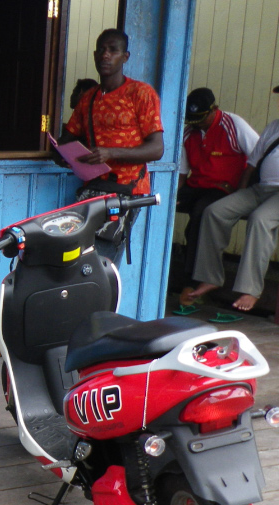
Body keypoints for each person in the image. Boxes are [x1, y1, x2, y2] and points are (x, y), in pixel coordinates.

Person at [58, 29, 164, 262]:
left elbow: (157, 149)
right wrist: (64, 152)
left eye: (113, 50)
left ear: (125, 57)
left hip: (127, 191)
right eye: (102, 50)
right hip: (93, 189)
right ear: (95, 55)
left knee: (103, 260)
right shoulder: (89, 98)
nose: (106, 55)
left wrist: (110, 153)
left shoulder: (141, 93)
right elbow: (67, 138)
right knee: (77, 258)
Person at [185, 85, 279, 313]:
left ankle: (251, 290)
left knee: (259, 219)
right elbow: (253, 162)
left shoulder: (230, 123)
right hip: (260, 189)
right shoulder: (274, 127)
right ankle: (211, 277)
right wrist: (242, 193)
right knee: (215, 211)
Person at [173, 88, 258, 289]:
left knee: (200, 214)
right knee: (160, 203)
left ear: (214, 110)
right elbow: (182, 175)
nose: (197, 124)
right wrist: (172, 196)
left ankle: (193, 283)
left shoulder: (233, 124)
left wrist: (243, 190)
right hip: (197, 185)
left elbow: (259, 156)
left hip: (224, 188)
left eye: (201, 119)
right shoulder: (188, 132)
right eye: (192, 120)